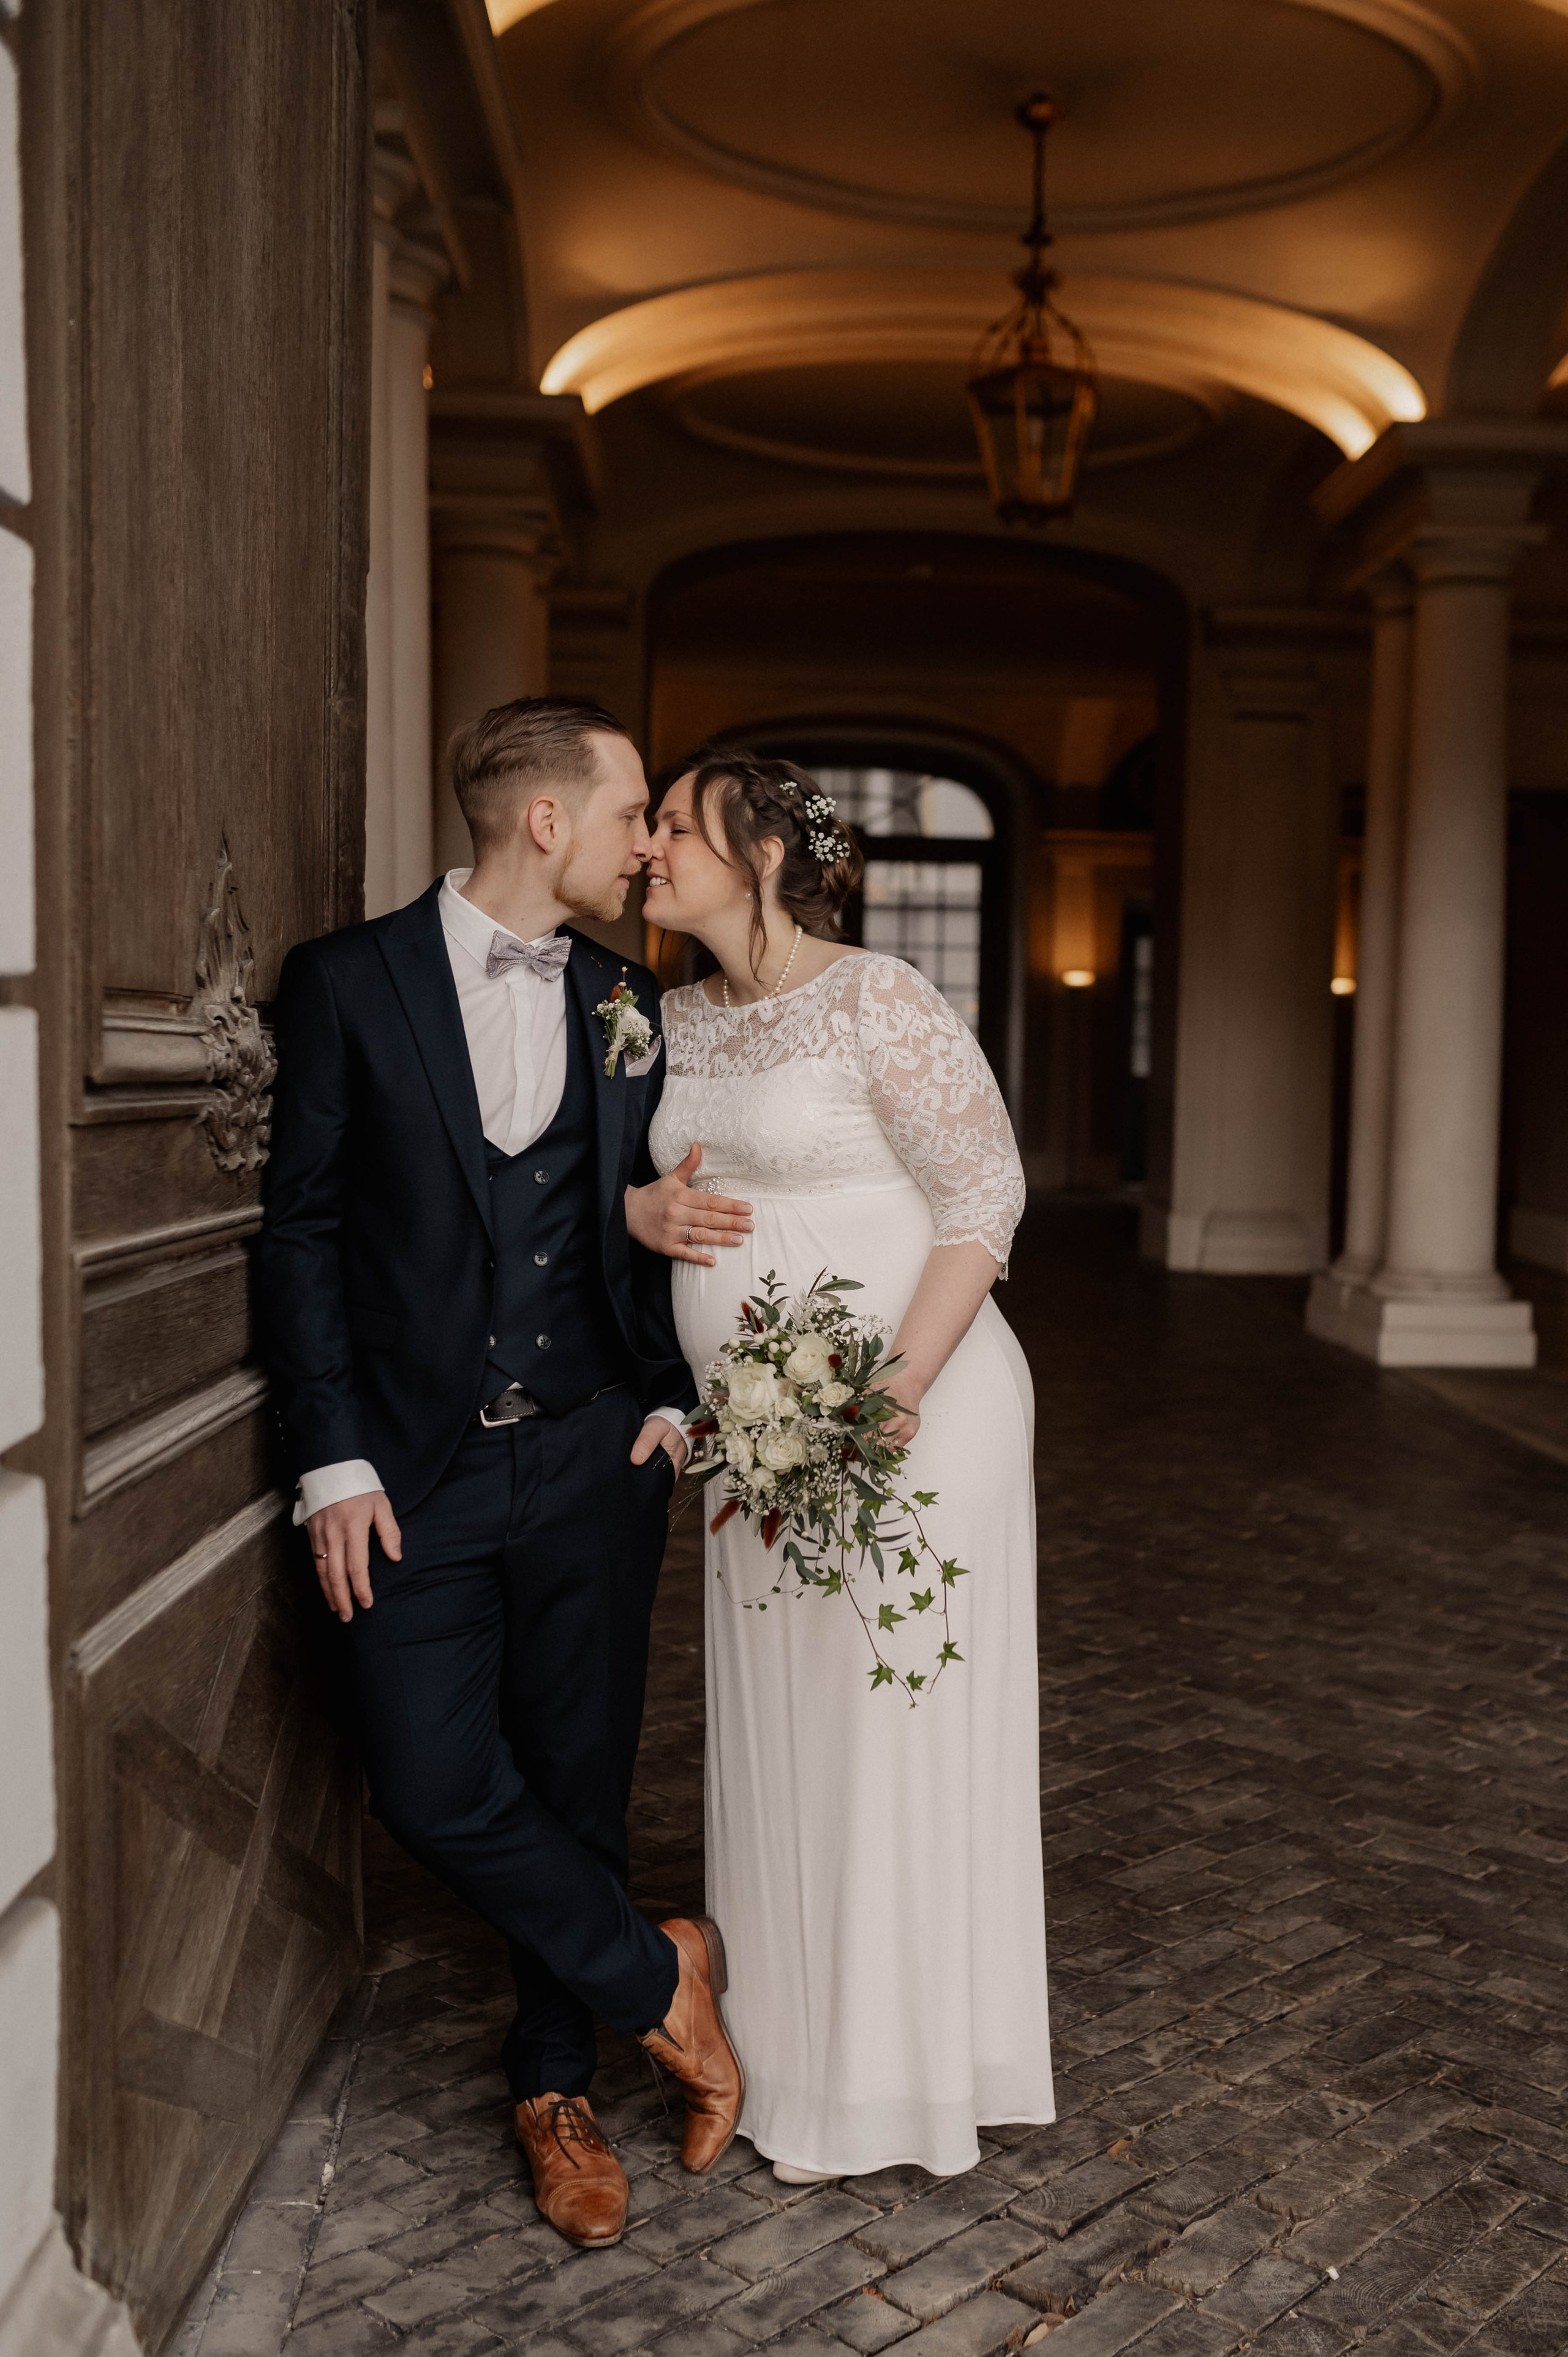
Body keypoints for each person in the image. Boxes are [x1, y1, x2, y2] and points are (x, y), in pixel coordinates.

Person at [255, 697, 744, 2251]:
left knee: (578, 1781)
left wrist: (668, 1398)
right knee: (427, 1779)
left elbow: (654, 1213)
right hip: (410, 1468)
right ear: (548, 821)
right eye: (628, 818)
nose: (646, 845)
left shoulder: (629, 996)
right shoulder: (344, 982)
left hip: (599, 1455)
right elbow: (306, 1229)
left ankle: (556, 2089)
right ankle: (661, 1977)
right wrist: (330, 1455)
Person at [625, 749, 1054, 2183]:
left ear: (756, 853)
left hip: (913, 1416)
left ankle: (904, 2070)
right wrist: (641, 1217)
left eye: (675, 824)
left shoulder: (877, 995)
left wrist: (892, 1393)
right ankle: (794, 2047)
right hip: (758, 1434)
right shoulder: (662, 1017)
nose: (649, 847)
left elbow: (982, 1191)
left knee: (887, 1725)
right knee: (781, 1719)